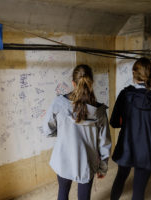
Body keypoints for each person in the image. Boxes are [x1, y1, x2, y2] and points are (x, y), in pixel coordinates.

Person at [110, 57, 151, 200]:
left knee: (120, 178)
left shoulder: (125, 95)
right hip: (148, 150)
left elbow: (114, 122)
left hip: (127, 147)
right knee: (139, 190)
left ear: (134, 73)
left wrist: (128, 122)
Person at [43, 64, 112, 200]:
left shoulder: (59, 103)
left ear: (73, 83)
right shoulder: (100, 112)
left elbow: (47, 130)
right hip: (86, 163)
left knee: (62, 192)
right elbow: (104, 144)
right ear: (91, 83)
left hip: (63, 160)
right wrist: (102, 168)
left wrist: (63, 132)